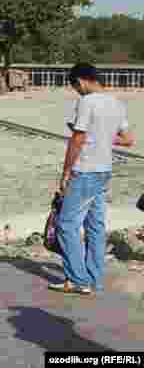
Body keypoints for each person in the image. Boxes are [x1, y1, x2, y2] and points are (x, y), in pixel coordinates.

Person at [51, 64, 134, 295]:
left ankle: (78, 280)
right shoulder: (117, 103)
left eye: (75, 87)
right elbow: (128, 140)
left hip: (85, 169)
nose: (77, 92)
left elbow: (77, 138)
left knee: (67, 225)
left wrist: (66, 172)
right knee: (95, 226)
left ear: (81, 81)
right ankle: (94, 278)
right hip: (104, 170)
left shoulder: (87, 102)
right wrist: (104, 138)